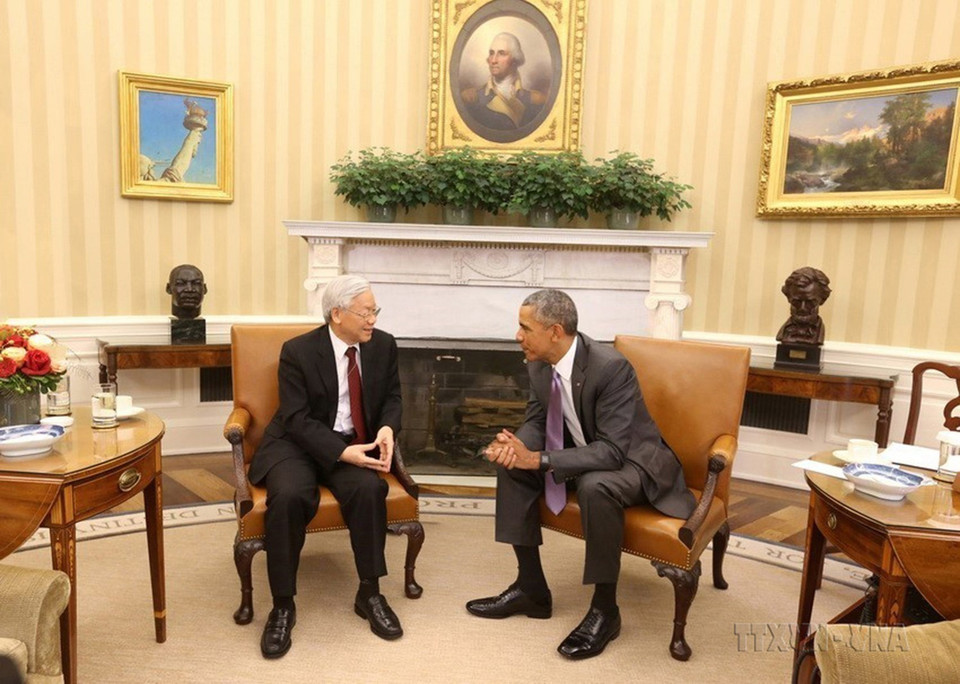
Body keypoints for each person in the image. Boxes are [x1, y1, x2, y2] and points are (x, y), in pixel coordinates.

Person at [466, 289, 696, 660]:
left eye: (525, 327)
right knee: (511, 469)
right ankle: (531, 590)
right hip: (583, 452)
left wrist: (539, 460)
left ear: (555, 331)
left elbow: (612, 451)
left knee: (595, 486)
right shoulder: (538, 363)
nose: (517, 336)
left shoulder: (610, 367)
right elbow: (537, 420)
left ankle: (606, 610)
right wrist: (517, 450)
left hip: (635, 462)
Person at [247, 274, 403, 659]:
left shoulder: (383, 345)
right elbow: (297, 418)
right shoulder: (298, 351)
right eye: (366, 312)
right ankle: (283, 605)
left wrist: (386, 427)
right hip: (297, 445)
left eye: (375, 311)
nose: (373, 319)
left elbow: (394, 398)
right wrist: (340, 452)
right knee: (287, 497)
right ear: (337, 313)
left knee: (369, 490)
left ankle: (370, 593)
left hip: (354, 441)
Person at [460, 32, 546, 132]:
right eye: (492, 53)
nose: (493, 60)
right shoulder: (471, 98)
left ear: (515, 59)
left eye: (501, 53)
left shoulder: (537, 100)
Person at [776, 267, 831, 345]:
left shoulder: (818, 333)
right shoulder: (784, 332)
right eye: (797, 302)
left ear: (822, 300)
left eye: (810, 302)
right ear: (789, 298)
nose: (803, 308)